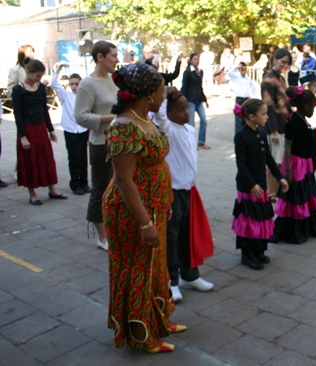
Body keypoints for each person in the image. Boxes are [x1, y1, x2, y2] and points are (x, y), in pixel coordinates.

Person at [103, 63, 185, 353]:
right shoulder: (124, 126)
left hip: (155, 206)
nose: (165, 94)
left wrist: (164, 203)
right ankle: (141, 336)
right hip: (132, 212)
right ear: (148, 95)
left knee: (156, 266)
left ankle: (159, 319)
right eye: (161, 90)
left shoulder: (144, 117)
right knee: (138, 269)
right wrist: (145, 223)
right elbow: (124, 181)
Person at [152, 87, 215, 303]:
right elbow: (159, 115)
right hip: (172, 192)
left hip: (189, 189)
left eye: (185, 108)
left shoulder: (188, 129)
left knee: (188, 234)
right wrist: (164, 94)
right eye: (179, 109)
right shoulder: (167, 129)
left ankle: (191, 275)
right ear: (168, 114)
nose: (186, 113)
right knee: (171, 237)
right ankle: (172, 281)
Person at [233, 99, 289, 269]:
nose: (267, 117)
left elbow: (268, 159)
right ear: (251, 116)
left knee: (262, 219)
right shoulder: (241, 136)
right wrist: (250, 184)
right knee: (249, 221)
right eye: (263, 114)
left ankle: (259, 251)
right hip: (248, 186)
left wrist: (280, 177)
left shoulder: (261, 132)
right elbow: (241, 164)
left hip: (261, 185)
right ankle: (247, 255)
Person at [75, 40, 118, 251]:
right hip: (101, 143)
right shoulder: (87, 84)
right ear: (100, 57)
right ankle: (101, 236)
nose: (117, 60)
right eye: (113, 56)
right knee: (101, 187)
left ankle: (114, 227)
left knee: (120, 186)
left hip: (119, 142)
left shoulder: (112, 80)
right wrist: (111, 118)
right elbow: (80, 116)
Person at [270, 86, 316, 244]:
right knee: (296, 196)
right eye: (314, 107)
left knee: (305, 194)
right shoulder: (293, 122)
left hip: (305, 163)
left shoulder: (302, 119)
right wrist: (287, 170)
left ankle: (309, 227)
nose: (314, 109)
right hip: (296, 164)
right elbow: (287, 146)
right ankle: (294, 230)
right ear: (306, 106)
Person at [12, 60, 66, 205]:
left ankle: (52, 189)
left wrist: (51, 130)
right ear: (28, 73)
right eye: (37, 76)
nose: (40, 79)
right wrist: (23, 137)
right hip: (27, 128)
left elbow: (44, 110)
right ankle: (32, 193)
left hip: (41, 126)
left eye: (41, 76)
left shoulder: (41, 88)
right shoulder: (18, 90)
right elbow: (17, 114)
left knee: (47, 158)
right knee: (30, 160)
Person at [51, 64, 90, 196]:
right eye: (72, 84)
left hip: (82, 129)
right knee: (74, 158)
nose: (74, 86)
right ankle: (75, 184)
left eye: (77, 84)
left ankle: (84, 182)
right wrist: (59, 69)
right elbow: (53, 84)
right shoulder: (65, 95)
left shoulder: (84, 96)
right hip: (70, 130)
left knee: (83, 157)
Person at [261, 48, 292, 200]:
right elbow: (268, 106)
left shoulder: (280, 78)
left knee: (279, 161)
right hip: (274, 126)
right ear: (275, 60)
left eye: (288, 63)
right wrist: (273, 131)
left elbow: (283, 102)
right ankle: (271, 192)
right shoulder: (269, 78)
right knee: (274, 162)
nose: (285, 65)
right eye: (283, 62)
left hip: (282, 123)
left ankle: (275, 190)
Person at [181, 53, 210, 150]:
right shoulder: (188, 72)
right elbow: (184, 87)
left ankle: (201, 142)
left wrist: (205, 99)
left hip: (199, 100)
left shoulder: (200, 72)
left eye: (197, 59)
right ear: (190, 61)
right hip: (190, 100)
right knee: (191, 124)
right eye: (194, 59)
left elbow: (200, 87)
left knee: (204, 121)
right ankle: (191, 143)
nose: (196, 61)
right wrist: (183, 101)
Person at [228, 62, 258, 134]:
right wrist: (236, 67)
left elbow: (254, 88)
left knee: (246, 118)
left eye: (244, 70)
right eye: (242, 70)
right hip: (239, 99)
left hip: (246, 99)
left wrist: (252, 97)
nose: (243, 71)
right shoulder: (236, 77)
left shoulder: (248, 79)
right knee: (238, 120)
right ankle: (238, 136)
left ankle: (245, 135)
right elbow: (229, 73)